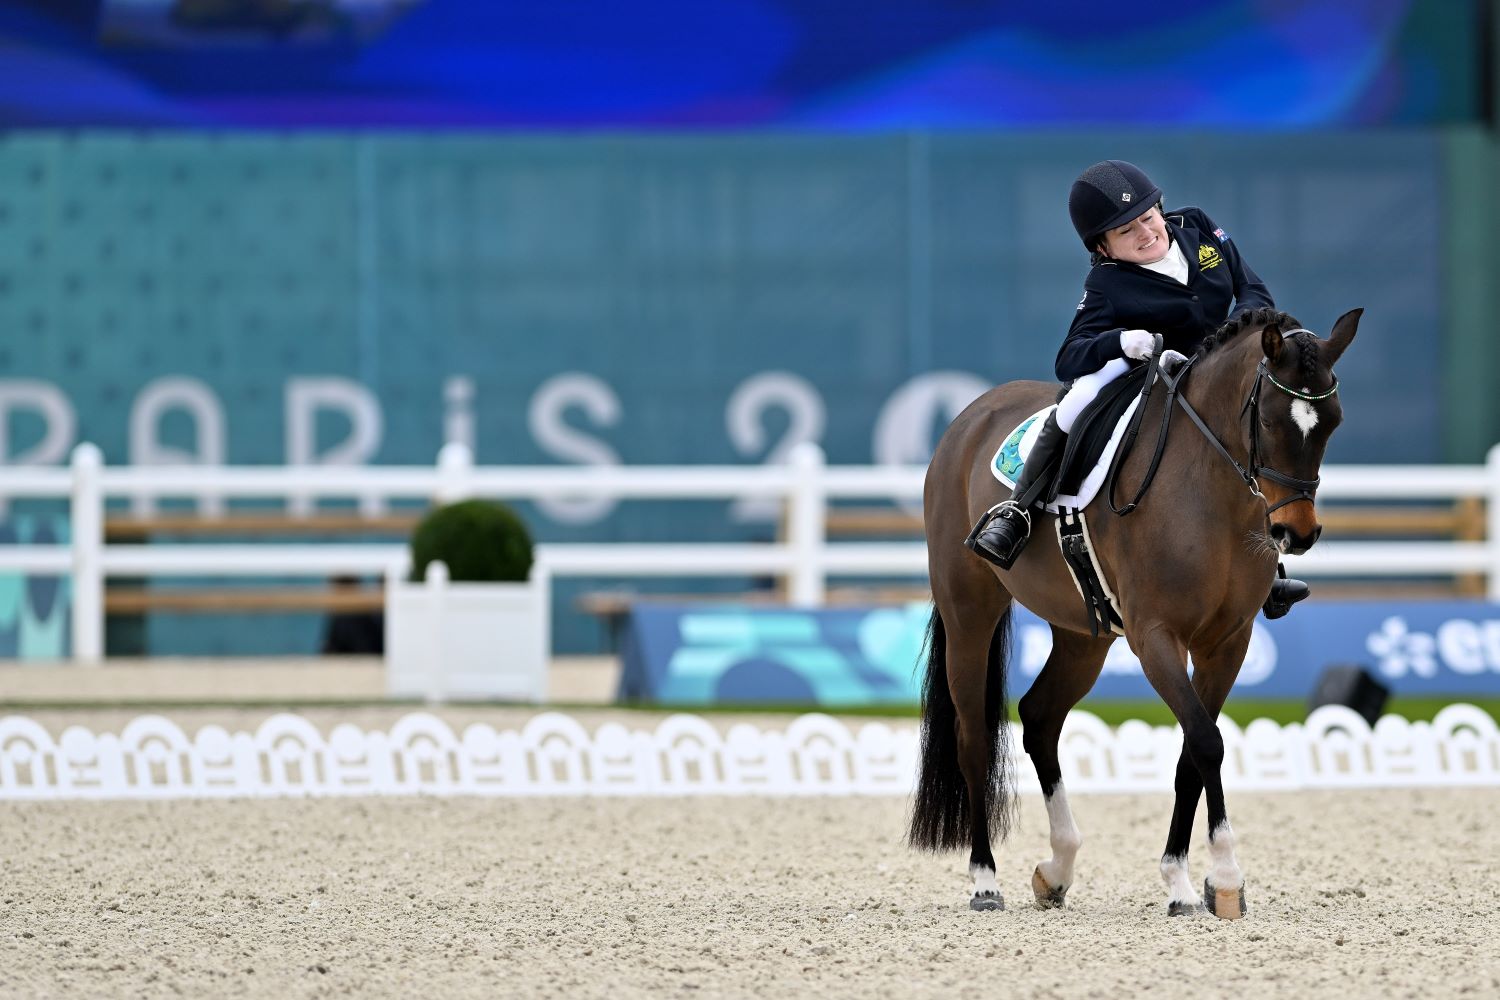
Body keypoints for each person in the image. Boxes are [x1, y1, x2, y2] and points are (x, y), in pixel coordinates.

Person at [965, 159, 1309, 620]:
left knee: (1255, 429)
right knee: (1076, 402)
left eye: (1149, 217)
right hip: (1144, 372)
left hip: (1214, 376)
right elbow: (1069, 356)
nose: (1147, 233)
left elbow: (1253, 292)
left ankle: (1268, 564)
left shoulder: (1199, 227)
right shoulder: (1104, 285)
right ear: (1104, 247)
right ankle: (1018, 510)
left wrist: (1232, 339)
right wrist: (1120, 342)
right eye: (1127, 231)